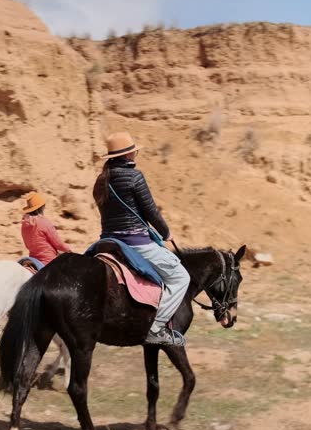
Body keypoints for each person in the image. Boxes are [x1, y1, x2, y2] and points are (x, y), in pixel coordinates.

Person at [92, 131, 190, 347]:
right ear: (128, 155)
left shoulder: (101, 181)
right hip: (135, 242)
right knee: (181, 277)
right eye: (134, 151)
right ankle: (156, 329)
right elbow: (151, 212)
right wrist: (166, 233)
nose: (135, 154)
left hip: (107, 241)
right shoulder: (135, 177)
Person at [20, 192, 71, 266]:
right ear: (41, 208)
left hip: (33, 259)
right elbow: (58, 243)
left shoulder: (24, 224)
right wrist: (68, 250)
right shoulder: (44, 222)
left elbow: (27, 245)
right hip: (48, 260)